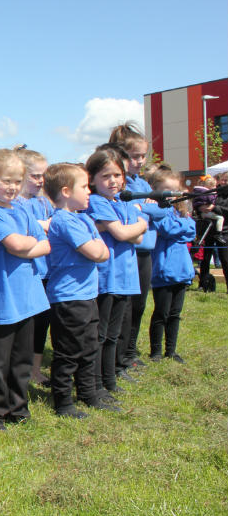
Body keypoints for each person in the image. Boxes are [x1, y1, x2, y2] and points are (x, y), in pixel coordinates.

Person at [0, 150, 50, 430]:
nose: (12, 187)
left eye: (17, 181)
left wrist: (24, 244)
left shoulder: (22, 209)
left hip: (28, 297)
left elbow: (46, 245)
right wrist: (27, 243)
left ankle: (18, 407)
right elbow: (16, 245)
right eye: (6, 181)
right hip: (1, 298)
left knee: (21, 359)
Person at [42, 163, 115, 418]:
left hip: (87, 295)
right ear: (65, 191)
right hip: (69, 298)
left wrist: (98, 248)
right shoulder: (63, 221)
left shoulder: (83, 218)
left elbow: (103, 252)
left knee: (90, 348)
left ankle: (88, 393)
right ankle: (63, 401)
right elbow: (96, 252)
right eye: (84, 186)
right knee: (69, 351)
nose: (89, 191)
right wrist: (97, 247)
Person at [84, 148, 146, 402]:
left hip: (126, 277)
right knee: (100, 334)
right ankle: (96, 382)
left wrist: (131, 228)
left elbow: (137, 238)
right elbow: (123, 233)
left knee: (114, 334)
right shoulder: (97, 201)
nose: (113, 181)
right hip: (106, 277)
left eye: (117, 175)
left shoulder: (123, 202)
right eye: (105, 176)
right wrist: (141, 224)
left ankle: (110, 380)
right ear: (92, 179)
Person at [110, 123, 166, 369]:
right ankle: (119, 356)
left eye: (143, 156)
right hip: (130, 250)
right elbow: (131, 213)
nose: (140, 161)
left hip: (146, 252)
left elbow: (163, 209)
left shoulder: (142, 184)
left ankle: (130, 351)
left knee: (140, 305)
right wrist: (146, 208)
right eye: (135, 156)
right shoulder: (123, 185)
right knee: (126, 307)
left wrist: (144, 207)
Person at [147, 168, 195, 363]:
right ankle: (156, 351)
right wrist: (181, 228)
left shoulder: (180, 211)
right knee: (161, 312)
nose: (171, 195)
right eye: (166, 190)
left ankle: (171, 350)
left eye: (174, 191)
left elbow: (192, 230)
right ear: (155, 190)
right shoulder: (157, 212)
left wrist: (179, 229)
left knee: (175, 314)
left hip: (181, 271)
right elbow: (167, 229)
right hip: (163, 272)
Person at [14, 148, 54, 386]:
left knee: (42, 323)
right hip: (28, 271)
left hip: (46, 270)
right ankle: (20, 368)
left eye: (43, 176)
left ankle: (35, 370)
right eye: (35, 176)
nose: (40, 181)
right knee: (26, 324)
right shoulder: (16, 203)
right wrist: (43, 225)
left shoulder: (43, 202)